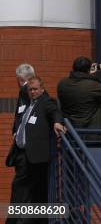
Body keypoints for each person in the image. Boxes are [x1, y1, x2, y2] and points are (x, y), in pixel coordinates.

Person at [5, 77, 65, 218]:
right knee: (29, 190)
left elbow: (55, 111)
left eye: (35, 89)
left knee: (24, 189)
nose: (32, 92)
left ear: (42, 89)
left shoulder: (46, 102)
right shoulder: (27, 104)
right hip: (21, 153)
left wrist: (57, 122)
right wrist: (16, 132)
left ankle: (15, 221)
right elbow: (19, 120)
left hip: (35, 154)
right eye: (30, 89)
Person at [57, 56, 101, 147]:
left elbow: (83, 89)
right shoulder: (92, 86)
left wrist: (89, 76)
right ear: (88, 69)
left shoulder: (63, 84)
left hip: (71, 134)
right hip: (90, 136)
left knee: (72, 160)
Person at [12, 64, 35, 135]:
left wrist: (15, 131)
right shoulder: (38, 88)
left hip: (27, 133)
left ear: (20, 78)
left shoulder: (24, 89)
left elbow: (21, 111)